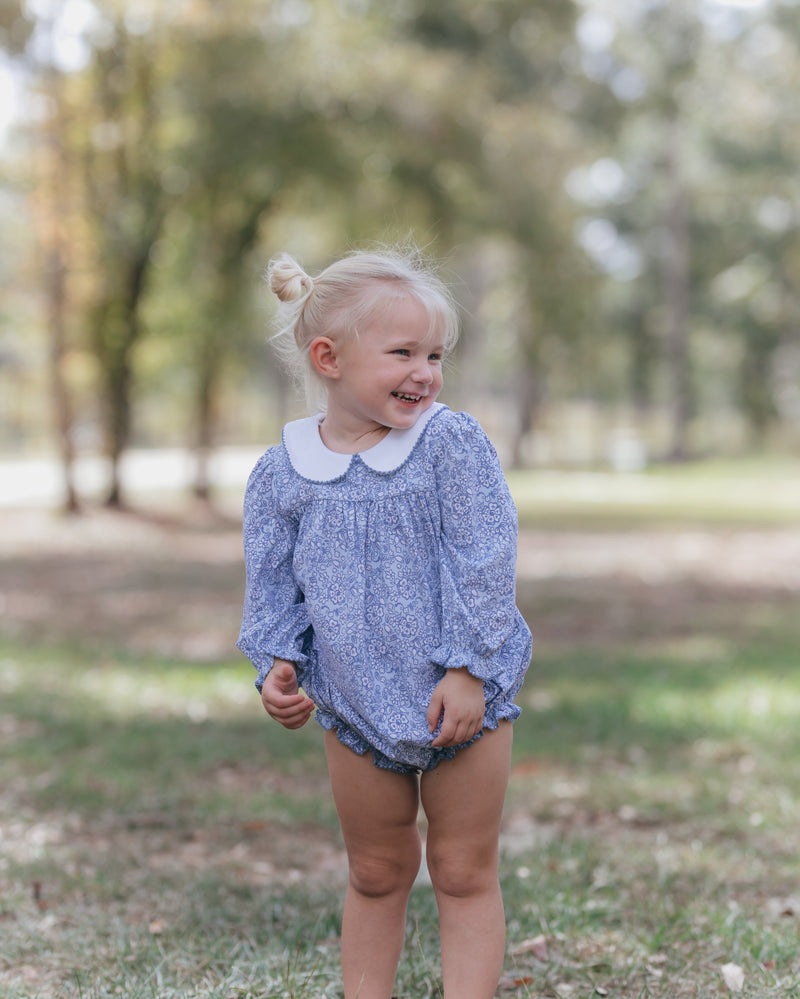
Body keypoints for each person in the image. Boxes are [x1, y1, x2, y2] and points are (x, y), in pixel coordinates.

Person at [237, 246, 532, 999]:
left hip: (461, 697)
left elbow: (484, 556)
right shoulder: (285, 471)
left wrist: (469, 668)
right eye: (402, 352)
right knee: (375, 870)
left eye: (435, 353)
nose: (426, 371)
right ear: (328, 357)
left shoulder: (447, 445)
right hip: (353, 704)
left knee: (463, 870)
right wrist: (278, 664)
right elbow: (274, 581)